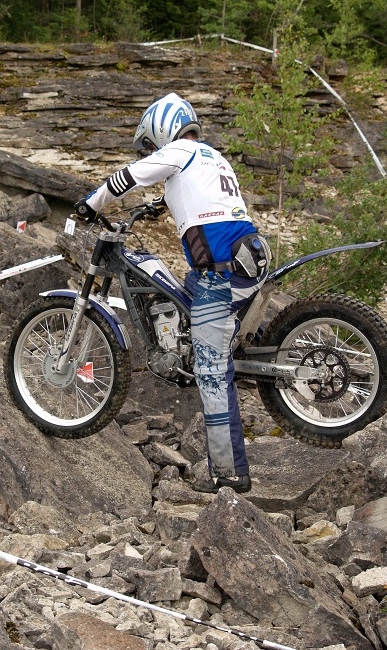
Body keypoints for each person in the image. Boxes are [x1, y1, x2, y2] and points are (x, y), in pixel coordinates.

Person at [74, 93, 270, 494]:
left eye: (151, 144)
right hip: (242, 260)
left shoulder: (180, 150)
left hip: (222, 273)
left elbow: (127, 177)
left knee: (211, 371)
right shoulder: (210, 156)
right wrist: (158, 205)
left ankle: (230, 474)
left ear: (162, 129)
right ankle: (230, 338)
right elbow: (198, 196)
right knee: (185, 295)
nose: (152, 152)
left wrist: (89, 205)